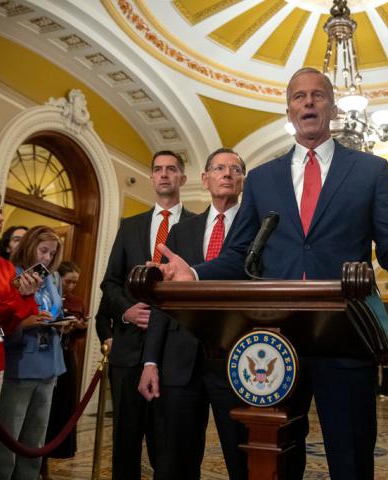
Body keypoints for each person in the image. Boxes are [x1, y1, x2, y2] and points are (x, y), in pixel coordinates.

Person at [155, 67, 388, 479]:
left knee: (350, 457)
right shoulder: (262, 178)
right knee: (275, 458)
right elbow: (243, 252)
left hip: (346, 334)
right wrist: (193, 272)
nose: (309, 102)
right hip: (274, 338)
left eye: (319, 95)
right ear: (289, 110)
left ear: (333, 108)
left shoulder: (371, 171)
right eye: (300, 96)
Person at [138, 148, 248, 480]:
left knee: (241, 459)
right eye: (218, 167)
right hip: (179, 361)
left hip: (236, 360)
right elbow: (162, 302)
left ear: (243, 180)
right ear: (205, 179)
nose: (227, 173)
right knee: (174, 463)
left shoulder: (257, 228)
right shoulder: (182, 231)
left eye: (235, 169)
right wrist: (150, 361)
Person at [96, 150, 194, 479]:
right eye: (158, 170)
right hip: (127, 352)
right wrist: (126, 310)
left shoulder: (197, 227)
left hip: (173, 355)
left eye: (171, 169)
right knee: (124, 445)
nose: (164, 174)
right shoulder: (130, 227)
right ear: (152, 178)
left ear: (182, 178)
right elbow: (109, 283)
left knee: (169, 449)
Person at [0, 225, 67, 480]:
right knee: (8, 441)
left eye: (52, 253)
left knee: (35, 441)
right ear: (29, 246)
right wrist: (25, 323)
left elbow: (55, 310)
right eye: (43, 251)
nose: (47, 258)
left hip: (49, 366)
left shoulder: (50, 278)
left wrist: (62, 322)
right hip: (19, 365)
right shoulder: (10, 275)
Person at [0, 191, 40, 409]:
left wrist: (25, 296)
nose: (1, 218)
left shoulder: (5, 268)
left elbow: (6, 328)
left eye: (0, 211)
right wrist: (16, 299)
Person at [44, 262, 88, 466]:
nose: (70, 286)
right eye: (68, 281)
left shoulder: (78, 301)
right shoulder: (49, 297)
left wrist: (79, 326)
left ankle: (60, 450)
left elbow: (83, 331)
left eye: (74, 283)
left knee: (65, 405)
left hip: (68, 355)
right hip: (48, 354)